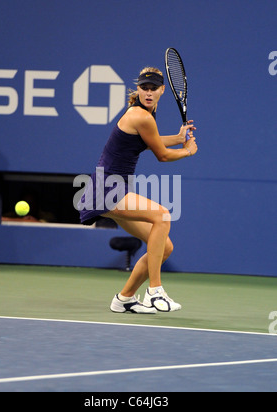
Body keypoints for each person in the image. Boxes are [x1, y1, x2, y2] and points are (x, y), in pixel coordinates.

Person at [78, 67, 198, 314]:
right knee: (162, 215)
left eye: (154, 88)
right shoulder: (140, 116)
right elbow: (161, 156)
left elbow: (149, 141)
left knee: (165, 247)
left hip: (111, 186)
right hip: (108, 187)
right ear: (138, 89)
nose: (149, 92)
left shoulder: (145, 117)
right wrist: (187, 150)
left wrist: (178, 137)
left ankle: (124, 298)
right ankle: (155, 291)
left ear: (162, 90)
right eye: (144, 88)